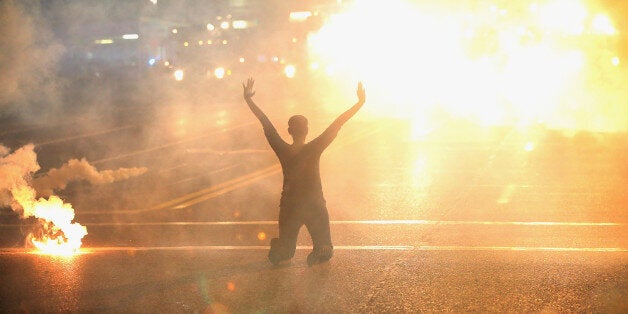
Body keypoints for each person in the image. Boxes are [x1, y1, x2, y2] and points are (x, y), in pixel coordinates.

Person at [242, 77, 366, 266]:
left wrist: (249, 100)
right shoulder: (314, 148)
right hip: (315, 205)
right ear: (307, 130)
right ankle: (316, 249)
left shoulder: (283, 150)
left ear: (289, 131)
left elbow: (265, 123)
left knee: (284, 253)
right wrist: (360, 103)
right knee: (325, 248)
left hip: (289, 207)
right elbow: (338, 123)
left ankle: (282, 247)